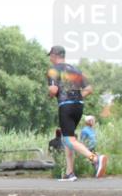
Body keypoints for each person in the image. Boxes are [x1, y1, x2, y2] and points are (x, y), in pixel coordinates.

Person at [46, 45, 108, 180]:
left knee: (68, 140)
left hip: (65, 106)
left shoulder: (53, 70)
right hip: (78, 106)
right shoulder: (75, 70)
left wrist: (49, 94)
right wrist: (76, 98)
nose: (50, 58)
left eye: (50, 55)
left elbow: (54, 90)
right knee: (69, 137)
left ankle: (95, 159)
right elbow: (89, 89)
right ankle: (70, 173)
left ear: (54, 55)